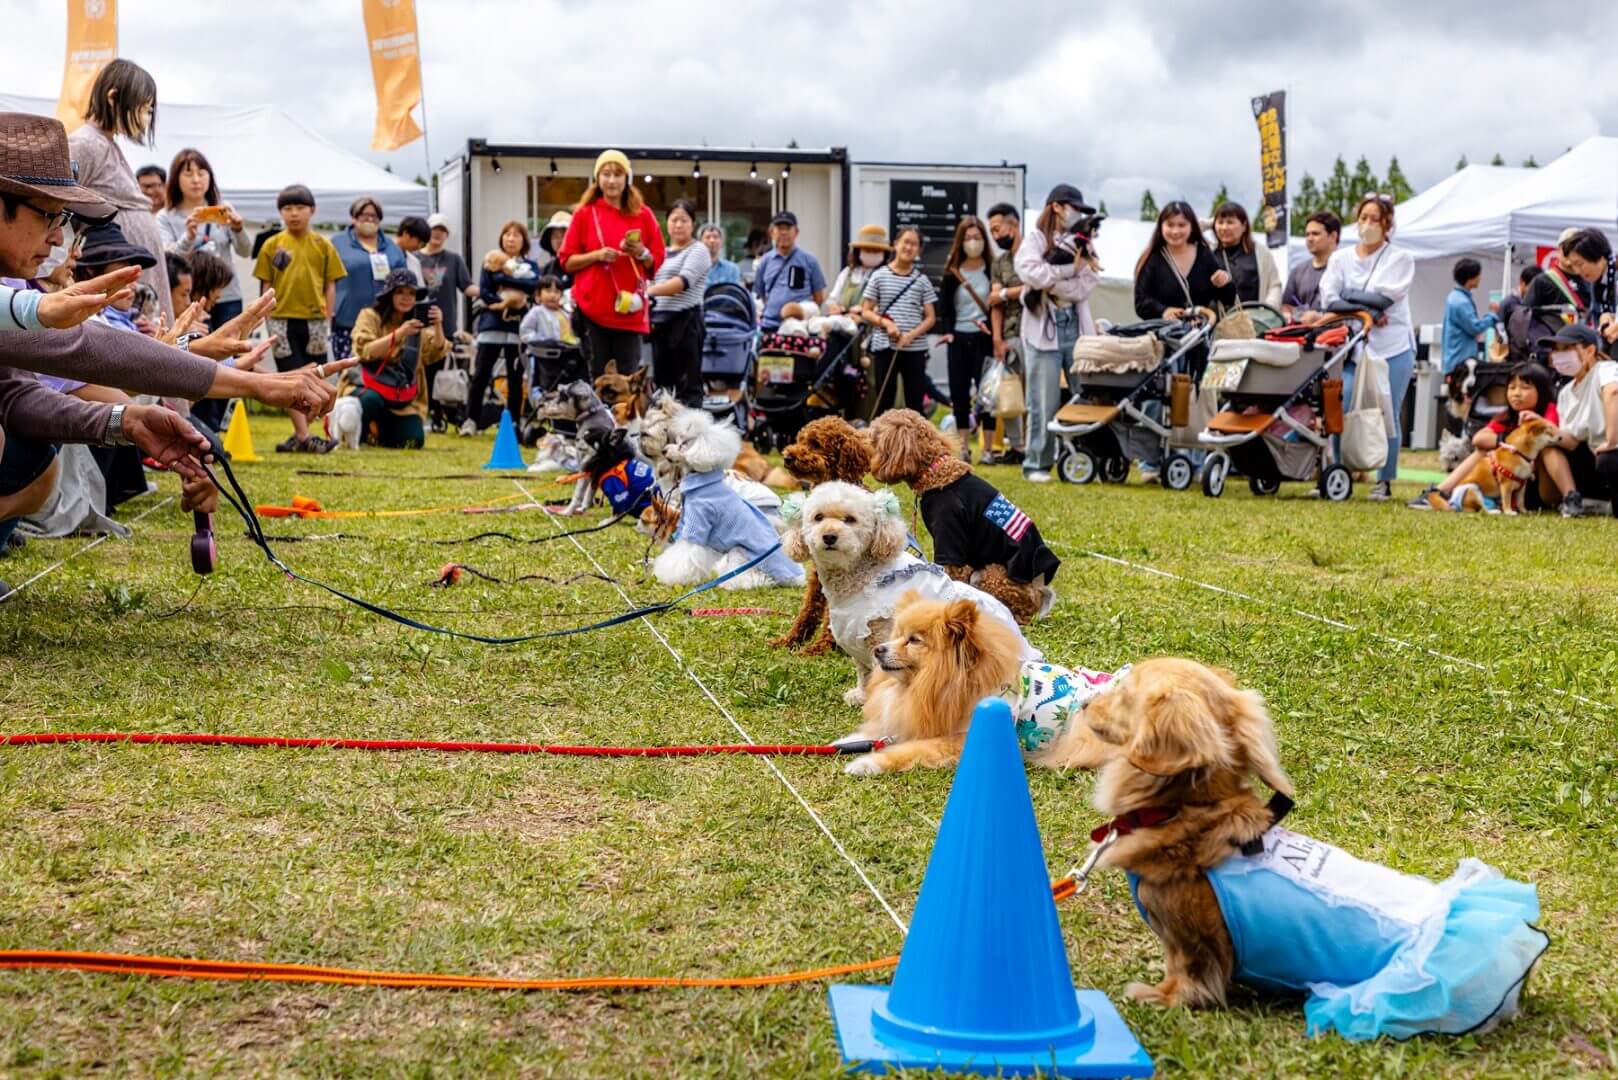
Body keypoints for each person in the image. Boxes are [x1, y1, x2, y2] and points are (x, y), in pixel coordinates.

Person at [1318, 193, 1417, 501]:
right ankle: (1340, 471)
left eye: (1376, 219)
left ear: (1387, 224)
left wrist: (1354, 302)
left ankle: (1384, 480)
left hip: (1394, 347)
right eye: (1364, 218)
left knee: (1387, 411)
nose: (1368, 225)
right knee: (1342, 404)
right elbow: (1329, 299)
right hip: (1352, 346)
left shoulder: (1400, 258)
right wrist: (1366, 308)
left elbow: (1385, 298)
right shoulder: (1340, 258)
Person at [67, 59, 172, 325]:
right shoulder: (85, 143)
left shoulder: (105, 143)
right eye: (144, 109)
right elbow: (61, 207)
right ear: (113, 97)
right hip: (116, 279)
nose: (147, 119)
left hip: (134, 279)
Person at [1015, 184, 1104, 483]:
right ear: (1057, 206)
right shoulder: (1035, 238)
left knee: (1085, 394)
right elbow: (1028, 272)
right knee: (1043, 399)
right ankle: (1036, 463)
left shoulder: (1083, 240)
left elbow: (1089, 280)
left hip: (1075, 326)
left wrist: (1052, 282)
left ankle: (1084, 456)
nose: (1076, 213)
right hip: (1043, 327)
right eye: (1073, 207)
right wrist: (1067, 273)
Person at [253, 183, 348, 453]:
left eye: (299, 208)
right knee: (289, 375)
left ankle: (301, 434)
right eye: (287, 208)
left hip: (316, 319)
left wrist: (328, 314)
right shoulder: (272, 244)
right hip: (280, 318)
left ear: (312, 210)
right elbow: (266, 282)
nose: (293, 213)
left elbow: (331, 283)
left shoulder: (323, 244)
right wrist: (264, 312)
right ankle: (304, 436)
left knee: (315, 375)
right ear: (281, 212)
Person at [1407, 362, 1573, 511]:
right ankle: (1441, 491)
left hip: (1540, 487)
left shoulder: (1549, 410)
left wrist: (1538, 423)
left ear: (1542, 391)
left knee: (1549, 450)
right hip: (1510, 484)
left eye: (1525, 387)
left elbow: (1555, 435)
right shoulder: (1508, 416)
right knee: (1482, 450)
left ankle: (1571, 498)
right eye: (1512, 387)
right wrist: (1506, 440)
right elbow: (1479, 439)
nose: (1516, 393)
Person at [558, 149, 665, 379]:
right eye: (606, 174)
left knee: (628, 377)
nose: (612, 180)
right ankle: (599, 416)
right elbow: (566, 260)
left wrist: (641, 252)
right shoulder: (585, 214)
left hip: (630, 310)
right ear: (597, 178)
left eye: (618, 174)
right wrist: (596, 256)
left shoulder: (643, 214)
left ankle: (624, 416)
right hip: (593, 309)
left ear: (627, 178)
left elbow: (656, 260)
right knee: (598, 376)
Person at [156, 147, 251, 329]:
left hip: (227, 294)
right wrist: (188, 238)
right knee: (198, 349)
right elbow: (167, 258)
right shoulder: (166, 216)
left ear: (210, 177)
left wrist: (238, 229)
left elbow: (245, 251)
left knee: (229, 350)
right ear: (176, 179)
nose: (196, 180)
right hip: (190, 297)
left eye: (201, 173)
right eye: (188, 174)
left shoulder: (223, 209)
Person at [351, 268, 445, 448]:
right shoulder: (370, 315)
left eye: (412, 293)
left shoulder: (416, 323)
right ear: (389, 294)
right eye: (400, 292)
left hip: (401, 394)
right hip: (367, 384)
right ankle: (359, 432)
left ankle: (379, 431)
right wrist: (400, 333)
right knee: (371, 401)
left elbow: (436, 352)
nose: (406, 297)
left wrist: (439, 325)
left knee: (413, 440)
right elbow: (365, 351)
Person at [463, 218, 541, 434]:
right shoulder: (491, 261)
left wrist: (504, 281)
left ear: (524, 240)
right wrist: (500, 294)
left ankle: (514, 422)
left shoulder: (530, 266)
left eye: (516, 235)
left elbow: (533, 284)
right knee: (481, 373)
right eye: (507, 234)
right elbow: (485, 291)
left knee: (515, 377)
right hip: (491, 324)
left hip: (518, 327)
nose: (511, 239)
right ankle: (471, 419)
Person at [860, 226, 937, 416]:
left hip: (915, 349)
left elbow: (931, 317)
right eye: (906, 242)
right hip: (885, 346)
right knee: (884, 400)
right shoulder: (879, 276)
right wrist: (887, 324)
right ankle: (882, 444)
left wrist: (911, 336)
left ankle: (915, 445)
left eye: (914, 244)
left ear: (919, 250)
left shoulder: (922, 280)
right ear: (895, 245)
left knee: (915, 403)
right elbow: (866, 312)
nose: (909, 248)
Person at [1544, 324, 1618, 517]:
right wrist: (1546, 428)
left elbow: (1613, 392)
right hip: (1595, 458)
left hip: (1610, 454)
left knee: (1608, 459)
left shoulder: (1607, 369)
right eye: (1555, 350)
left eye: (1566, 349)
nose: (1558, 356)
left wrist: (1612, 440)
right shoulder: (1565, 394)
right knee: (1549, 446)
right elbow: (1571, 441)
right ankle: (1573, 499)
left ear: (1590, 351)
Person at [935, 215, 995, 444]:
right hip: (957, 339)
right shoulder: (952, 272)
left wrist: (990, 326)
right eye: (968, 237)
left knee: (987, 394)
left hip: (985, 338)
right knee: (959, 394)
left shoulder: (992, 269)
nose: (973, 242)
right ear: (960, 241)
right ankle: (963, 447)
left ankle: (988, 448)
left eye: (977, 237)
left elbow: (998, 306)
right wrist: (948, 331)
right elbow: (944, 307)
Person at [647, 198, 711, 407]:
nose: (678, 225)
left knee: (688, 385)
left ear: (693, 224)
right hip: (659, 323)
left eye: (684, 220)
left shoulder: (698, 250)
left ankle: (691, 434)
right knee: (663, 387)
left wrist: (648, 291)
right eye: (674, 220)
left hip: (686, 322)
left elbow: (683, 281)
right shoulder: (660, 252)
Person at [330, 196, 406, 362]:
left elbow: (404, 280)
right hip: (347, 321)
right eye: (364, 215)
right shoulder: (337, 244)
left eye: (375, 216)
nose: (370, 219)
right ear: (354, 218)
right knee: (351, 374)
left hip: (385, 322)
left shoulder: (392, 248)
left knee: (383, 374)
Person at [986, 203, 1026, 464]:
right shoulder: (1000, 262)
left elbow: (1039, 286)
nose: (996, 235)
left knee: (1035, 393)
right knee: (1010, 392)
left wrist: (1005, 292)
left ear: (1014, 224)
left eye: (998, 229)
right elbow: (994, 302)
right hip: (1009, 335)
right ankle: (1017, 447)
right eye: (992, 231)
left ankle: (1039, 446)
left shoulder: (1036, 254)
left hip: (1038, 334)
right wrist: (997, 339)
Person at [752, 211, 826, 332]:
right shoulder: (765, 261)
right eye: (779, 228)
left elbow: (819, 298)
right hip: (770, 325)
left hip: (799, 328)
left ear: (796, 232)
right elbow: (760, 294)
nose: (784, 232)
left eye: (788, 228)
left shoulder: (810, 260)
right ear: (772, 232)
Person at [1211, 201, 1282, 309]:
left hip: (1255, 320)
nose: (1224, 227)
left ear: (1244, 226)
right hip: (1220, 322)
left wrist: (1268, 310)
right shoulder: (1210, 254)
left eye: (1230, 222)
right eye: (1220, 222)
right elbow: (1192, 228)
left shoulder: (1261, 253)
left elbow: (1274, 285)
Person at [419, 212, 476, 338]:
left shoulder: (454, 259)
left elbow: (467, 287)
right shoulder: (414, 258)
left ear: (447, 235)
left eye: (443, 230)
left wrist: (489, 290)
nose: (438, 233)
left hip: (446, 325)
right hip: (419, 323)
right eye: (434, 229)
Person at [1561, 228, 1618, 352]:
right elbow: (1594, 319)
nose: (1577, 271)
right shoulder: (1596, 282)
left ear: (1599, 257)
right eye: (1573, 266)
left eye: (1580, 264)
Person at [520, 276, 579, 395]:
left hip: (567, 353)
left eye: (556, 292)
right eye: (548, 291)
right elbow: (525, 332)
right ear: (538, 296)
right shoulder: (537, 312)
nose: (552, 295)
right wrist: (542, 342)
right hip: (546, 355)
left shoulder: (565, 312)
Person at [1441, 257, 1497, 376]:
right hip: (1460, 363)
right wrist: (1492, 315)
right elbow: (1474, 327)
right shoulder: (1461, 301)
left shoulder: (1456, 297)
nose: (1480, 278)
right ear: (1470, 277)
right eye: (1478, 275)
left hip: (1456, 360)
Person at [1282, 211, 1340, 319]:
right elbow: (1286, 306)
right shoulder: (1297, 272)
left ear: (1333, 236)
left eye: (1315, 234)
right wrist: (1292, 315)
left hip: (1338, 333)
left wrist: (1321, 318)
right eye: (1307, 234)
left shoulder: (1346, 269)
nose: (1309, 238)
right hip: (1302, 334)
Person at [534, 210, 574, 289]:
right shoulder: (547, 269)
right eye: (555, 237)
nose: (559, 241)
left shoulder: (584, 264)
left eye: (564, 235)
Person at [395, 215, 431, 287]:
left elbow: (420, 290)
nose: (420, 246)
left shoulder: (415, 262)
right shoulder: (382, 255)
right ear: (406, 234)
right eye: (419, 241)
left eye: (423, 244)